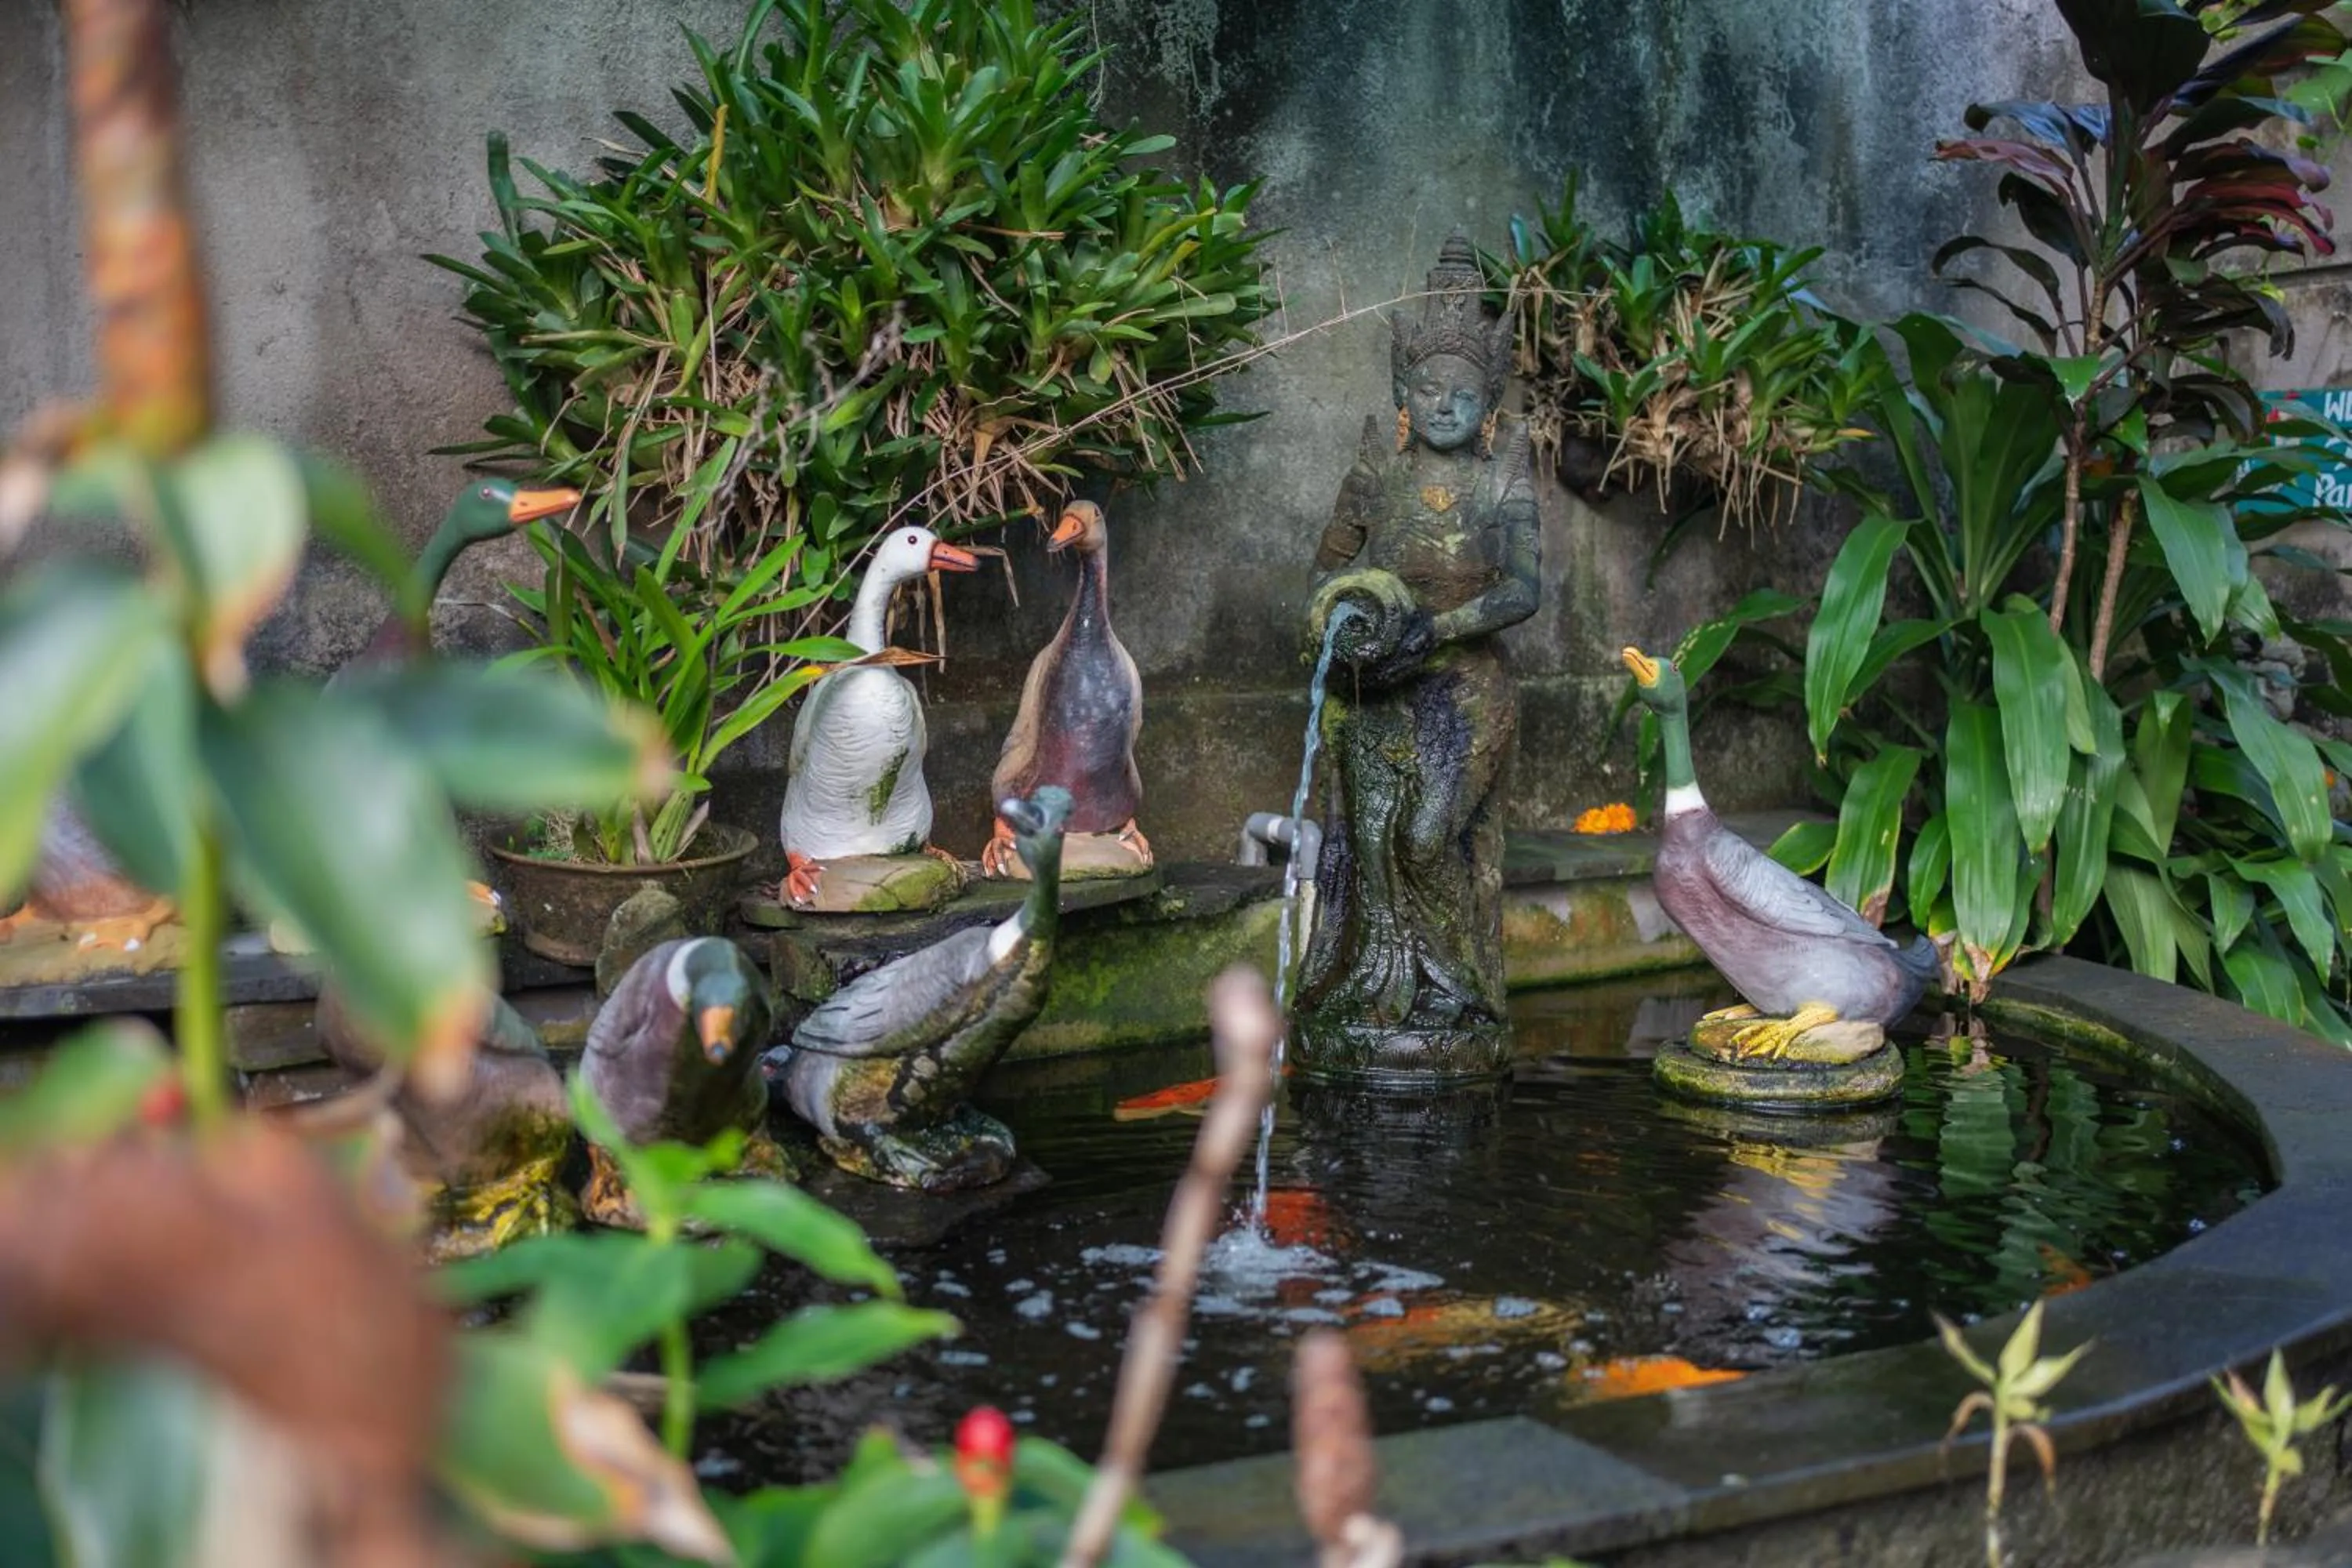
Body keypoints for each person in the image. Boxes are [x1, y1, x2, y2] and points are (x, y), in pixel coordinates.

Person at [1295, 235, 1541, 1083]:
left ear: (1491, 399)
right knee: (1371, 838)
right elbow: (1325, 575)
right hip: (1377, 684)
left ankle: (1460, 990)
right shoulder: (1375, 469)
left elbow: (1524, 591)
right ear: (1403, 391)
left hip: (1467, 684)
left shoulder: (1503, 473)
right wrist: (1356, 606)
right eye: (1428, 388)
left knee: (1431, 831)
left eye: (1463, 392)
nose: (1444, 404)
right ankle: (1379, 990)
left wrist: (1437, 630)